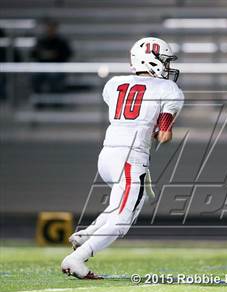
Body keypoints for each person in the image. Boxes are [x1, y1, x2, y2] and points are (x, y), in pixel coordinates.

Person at [61, 37, 184, 279]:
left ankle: (87, 234)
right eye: (165, 61)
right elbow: (164, 135)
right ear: (152, 60)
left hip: (108, 155)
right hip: (131, 158)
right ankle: (76, 258)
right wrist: (159, 129)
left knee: (129, 204)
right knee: (123, 218)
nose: (168, 67)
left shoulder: (114, 83)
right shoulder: (168, 90)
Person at [31, 18, 72, 93]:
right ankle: (39, 100)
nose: (50, 29)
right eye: (49, 27)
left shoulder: (61, 42)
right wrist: (44, 55)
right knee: (35, 76)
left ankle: (55, 100)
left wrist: (55, 55)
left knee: (53, 76)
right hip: (42, 67)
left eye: (52, 27)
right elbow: (33, 54)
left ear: (56, 29)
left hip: (58, 67)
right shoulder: (41, 41)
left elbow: (67, 54)